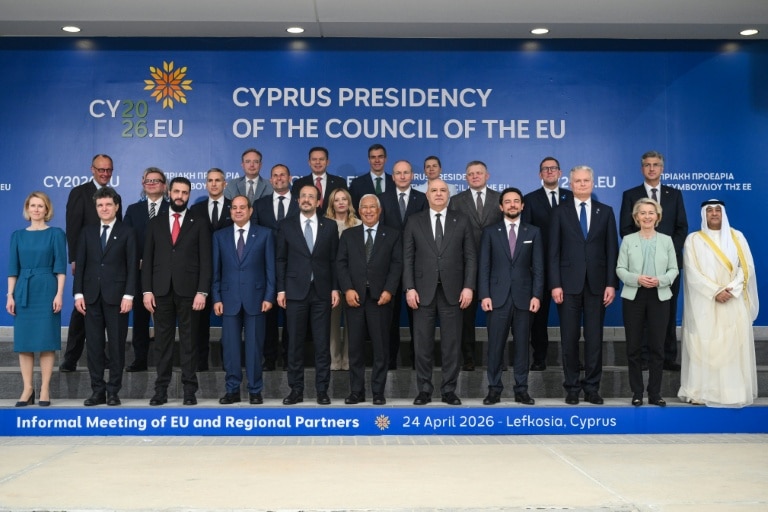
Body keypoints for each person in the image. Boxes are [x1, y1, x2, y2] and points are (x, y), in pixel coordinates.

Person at [678, 200, 758, 408]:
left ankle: (732, 393)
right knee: (703, 345)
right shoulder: (693, 240)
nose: (714, 214)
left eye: (717, 210)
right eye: (709, 211)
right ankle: (700, 392)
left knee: (732, 346)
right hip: (705, 302)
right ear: (703, 214)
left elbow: (746, 267)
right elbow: (692, 272)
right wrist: (715, 291)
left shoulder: (737, 237)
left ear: (723, 214)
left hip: (732, 299)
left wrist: (730, 289)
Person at [549, 165, 618, 405]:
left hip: (597, 286)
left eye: (586, 180)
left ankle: (592, 388)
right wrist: (555, 284)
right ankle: (571, 388)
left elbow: (612, 250)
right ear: (570, 184)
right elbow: (553, 251)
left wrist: (611, 283)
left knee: (594, 339)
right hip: (567, 286)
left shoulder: (605, 211)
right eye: (577, 181)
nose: (582, 184)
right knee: (569, 339)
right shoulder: (560, 212)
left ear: (593, 183)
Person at [403, 179, 476, 406]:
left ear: (448, 195)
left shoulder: (461, 220)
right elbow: (407, 257)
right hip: (421, 292)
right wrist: (409, 287)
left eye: (443, 190)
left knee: (451, 345)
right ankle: (424, 390)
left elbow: (470, 257)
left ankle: (449, 391)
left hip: (454, 292)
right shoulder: (414, 220)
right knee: (422, 345)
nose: (438, 194)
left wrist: (468, 286)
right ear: (427, 195)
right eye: (433, 190)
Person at [142, 177, 212, 406]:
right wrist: (147, 291)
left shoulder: (199, 222)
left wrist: (202, 291)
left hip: (190, 292)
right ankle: (160, 391)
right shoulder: (155, 222)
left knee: (189, 342)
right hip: (161, 292)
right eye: (177, 192)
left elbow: (206, 260)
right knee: (162, 343)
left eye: (185, 192)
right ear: (169, 193)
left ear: (189, 195)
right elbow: (148, 259)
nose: (180, 196)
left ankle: (189, 391)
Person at [619, 150, 688, 371]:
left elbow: (681, 228)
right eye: (647, 165)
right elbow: (625, 229)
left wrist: (665, 253)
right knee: (640, 316)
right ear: (642, 169)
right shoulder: (630, 194)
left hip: (668, 267)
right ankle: (644, 358)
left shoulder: (674, 194)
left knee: (667, 312)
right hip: (638, 267)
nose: (652, 168)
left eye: (656, 164)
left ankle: (668, 357)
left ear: (662, 168)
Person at [478, 187, 544, 405]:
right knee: (495, 346)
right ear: (501, 206)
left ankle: (521, 390)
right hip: (496, 298)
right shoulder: (490, 232)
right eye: (508, 201)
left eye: (516, 201)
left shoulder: (533, 232)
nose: (512, 205)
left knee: (522, 347)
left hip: (525, 298)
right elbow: (484, 266)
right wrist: (484, 295)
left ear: (522, 206)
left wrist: (536, 295)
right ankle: (494, 389)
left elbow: (538, 267)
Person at [276, 184, 340, 405]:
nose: (306, 199)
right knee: (294, 344)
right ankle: (296, 390)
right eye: (303, 196)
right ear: (297, 200)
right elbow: (281, 259)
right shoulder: (286, 225)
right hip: (295, 292)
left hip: (322, 292)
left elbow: (334, 260)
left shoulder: (329, 226)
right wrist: (281, 289)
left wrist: (334, 288)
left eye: (311, 196)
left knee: (322, 344)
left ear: (318, 201)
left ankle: (322, 390)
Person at [74, 187, 137, 406]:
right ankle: (97, 391)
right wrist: (78, 293)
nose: (104, 208)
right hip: (91, 298)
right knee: (94, 346)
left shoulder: (127, 232)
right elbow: (81, 265)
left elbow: (132, 266)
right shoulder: (87, 232)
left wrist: (129, 295)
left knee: (117, 346)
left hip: (118, 298)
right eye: (100, 205)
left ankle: (113, 392)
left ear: (116, 207)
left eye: (108, 204)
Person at [336, 194, 402, 405]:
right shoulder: (349, 235)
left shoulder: (392, 234)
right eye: (364, 207)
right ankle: (356, 392)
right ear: (359, 211)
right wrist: (347, 289)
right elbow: (341, 264)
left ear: (379, 210)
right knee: (355, 349)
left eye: (372, 207)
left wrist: (389, 290)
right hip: (354, 299)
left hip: (380, 299)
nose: (368, 211)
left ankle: (378, 392)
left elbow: (397, 265)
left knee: (380, 349)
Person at [60, 154, 122, 372]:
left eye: (108, 170)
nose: (105, 173)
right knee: (82, 310)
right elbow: (73, 228)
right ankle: (71, 358)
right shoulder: (79, 193)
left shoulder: (115, 196)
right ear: (92, 169)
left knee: (103, 311)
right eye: (101, 169)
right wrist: (75, 259)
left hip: (110, 266)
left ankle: (101, 357)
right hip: (87, 264)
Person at [212, 195, 275, 405]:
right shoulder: (219, 236)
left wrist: (269, 296)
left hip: (256, 299)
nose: (238, 211)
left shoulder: (265, 234)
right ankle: (232, 390)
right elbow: (216, 271)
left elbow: (270, 269)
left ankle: (255, 390)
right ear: (230, 211)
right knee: (231, 348)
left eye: (242, 207)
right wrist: (216, 297)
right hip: (228, 299)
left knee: (254, 348)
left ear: (250, 211)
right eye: (234, 208)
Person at [616, 198, 678, 407]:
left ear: (657, 216)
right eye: (642, 213)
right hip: (634, 296)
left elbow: (674, 269)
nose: (647, 216)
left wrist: (661, 280)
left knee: (657, 347)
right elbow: (620, 269)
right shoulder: (628, 240)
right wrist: (637, 279)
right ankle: (637, 392)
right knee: (633, 347)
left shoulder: (666, 240)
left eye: (651, 212)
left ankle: (655, 393)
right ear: (636, 217)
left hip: (659, 296)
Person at [7, 192, 67, 407]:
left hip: (47, 289)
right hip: (24, 290)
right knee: (24, 343)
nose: (36, 209)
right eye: (32, 205)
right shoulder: (17, 236)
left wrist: (59, 294)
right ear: (27, 208)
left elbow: (61, 268)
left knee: (46, 342)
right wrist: (10, 295)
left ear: (47, 209)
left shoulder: (56, 234)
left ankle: (44, 388)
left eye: (40, 206)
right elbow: (13, 269)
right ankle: (27, 388)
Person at [449, 160, 502, 371]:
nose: (475, 176)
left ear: (487, 176)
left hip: (495, 266)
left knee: (496, 317)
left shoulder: (500, 198)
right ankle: (468, 358)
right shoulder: (455, 201)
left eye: (479, 173)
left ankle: (497, 359)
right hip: (464, 267)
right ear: (466, 178)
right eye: (471, 174)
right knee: (465, 317)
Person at [521, 156, 573, 371]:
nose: (550, 171)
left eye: (553, 168)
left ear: (560, 173)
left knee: (570, 317)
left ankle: (572, 360)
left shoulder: (572, 197)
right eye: (545, 169)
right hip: (540, 267)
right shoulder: (530, 199)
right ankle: (539, 358)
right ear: (540, 174)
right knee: (539, 317)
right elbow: (526, 235)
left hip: (568, 267)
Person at [378, 159, 427, 369]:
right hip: (389, 268)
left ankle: (417, 361)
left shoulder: (422, 198)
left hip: (416, 267)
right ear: (393, 176)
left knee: (418, 318)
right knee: (390, 319)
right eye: (398, 173)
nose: (402, 176)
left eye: (406, 172)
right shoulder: (382, 199)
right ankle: (390, 361)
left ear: (412, 175)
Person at [253, 164, 299, 370]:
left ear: (290, 177)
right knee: (268, 315)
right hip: (266, 267)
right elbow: (254, 235)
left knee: (292, 317)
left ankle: (290, 359)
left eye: (282, 175)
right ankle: (269, 358)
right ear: (270, 180)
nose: (279, 178)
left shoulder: (300, 202)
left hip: (294, 266)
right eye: (275, 175)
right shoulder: (260, 204)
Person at [123, 167, 169, 372]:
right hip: (140, 272)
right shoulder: (133, 210)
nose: (151, 184)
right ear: (143, 184)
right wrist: (136, 261)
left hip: (166, 273)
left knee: (164, 319)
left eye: (156, 180)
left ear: (164, 185)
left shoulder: (173, 208)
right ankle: (140, 359)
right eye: (148, 181)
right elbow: (126, 240)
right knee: (140, 318)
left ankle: (164, 361)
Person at [189, 168, 233, 371]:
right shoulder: (196, 209)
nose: (214, 184)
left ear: (225, 184)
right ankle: (200, 364)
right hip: (201, 273)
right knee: (199, 322)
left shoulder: (235, 207)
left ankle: (228, 363)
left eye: (218, 180)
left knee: (231, 321)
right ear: (205, 184)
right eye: (210, 180)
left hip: (229, 273)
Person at [326, 188, 361, 371]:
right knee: (331, 323)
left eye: (344, 199)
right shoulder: (324, 224)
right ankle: (334, 360)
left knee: (352, 323)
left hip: (353, 282)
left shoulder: (358, 224)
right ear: (332, 203)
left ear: (349, 202)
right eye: (337, 199)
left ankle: (348, 360)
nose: (340, 202)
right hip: (330, 281)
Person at [348, 143, 394, 208]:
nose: (377, 160)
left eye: (380, 157)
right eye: (373, 157)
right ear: (369, 160)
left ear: (385, 159)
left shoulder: (394, 181)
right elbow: (352, 210)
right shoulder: (357, 184)